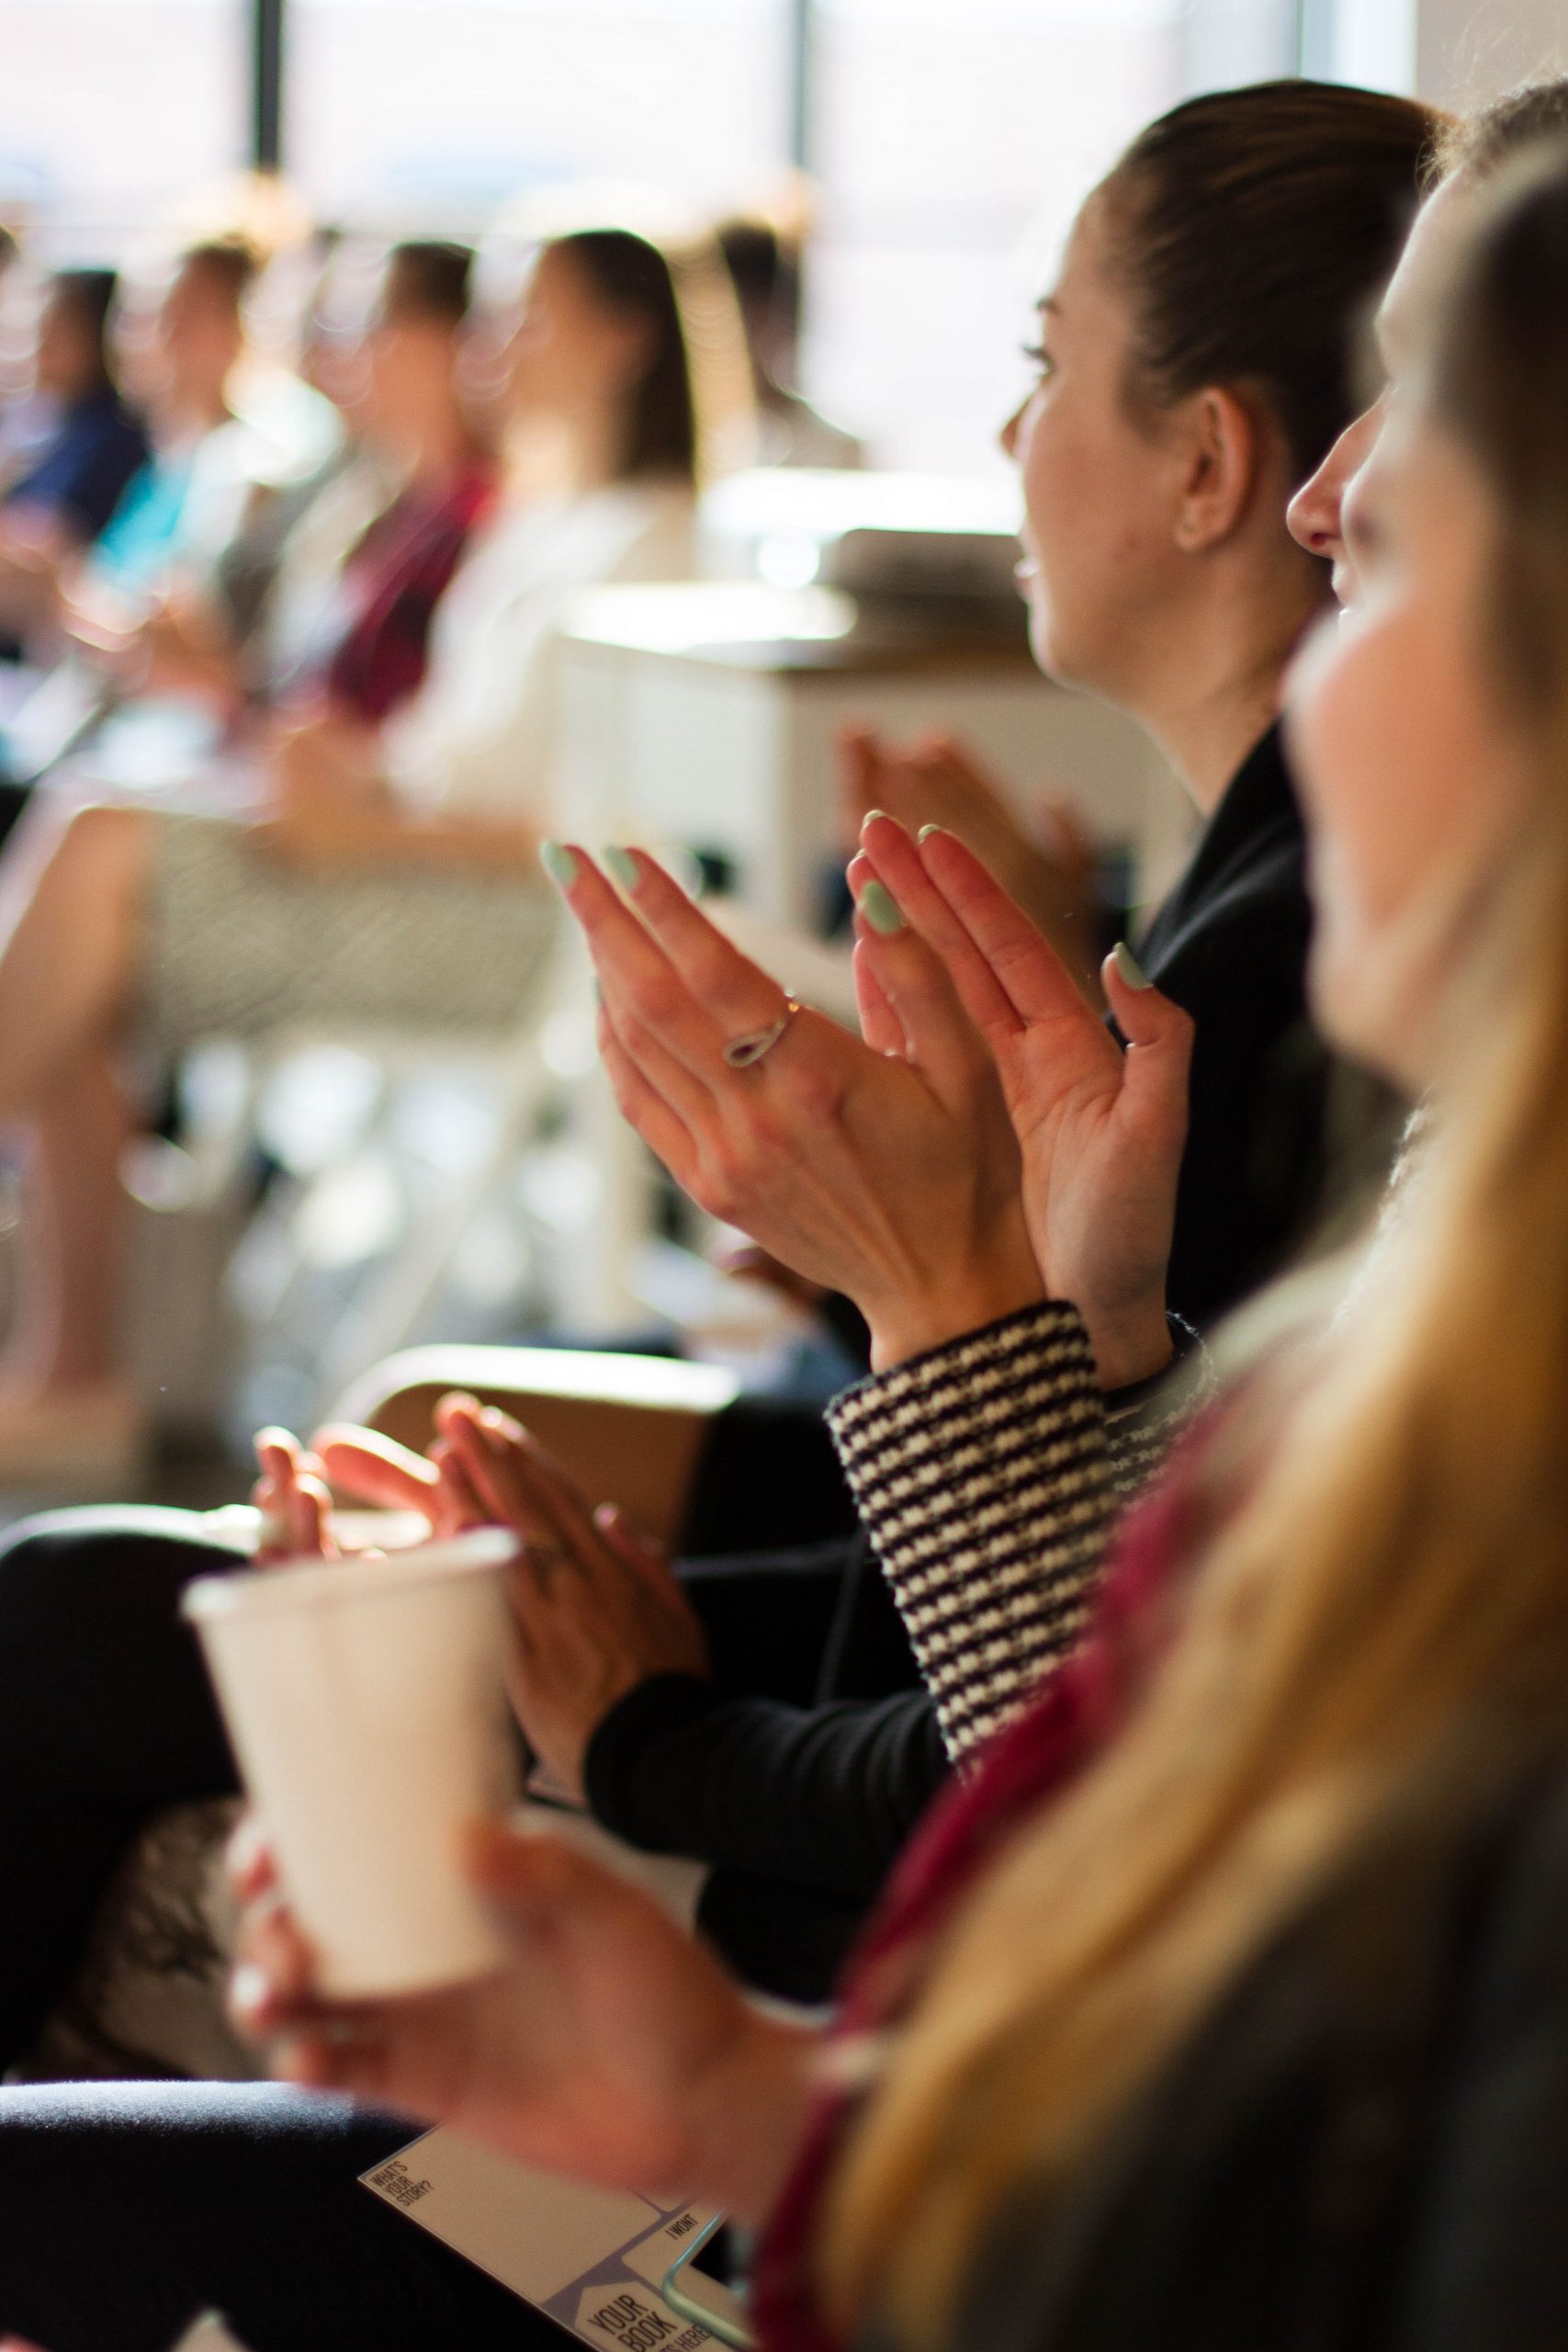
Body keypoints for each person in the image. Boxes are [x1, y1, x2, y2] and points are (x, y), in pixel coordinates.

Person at [3, 85, 1567, 2352]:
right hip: (852, 2100)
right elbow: (1157, 1788)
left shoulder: (1364, 1095)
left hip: (847, 2096)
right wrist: (1064, 1307)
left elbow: (1096, 1878)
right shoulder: (1436, 1194)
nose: (1334, 503)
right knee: (108, 1603)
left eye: (1416, 468)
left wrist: (666, 1714)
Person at [0, 222, 708, 1483]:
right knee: (87, 877)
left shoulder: (650, 543)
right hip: (402, 859)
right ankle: (71, 1371)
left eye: (526, 317)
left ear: (623, 338)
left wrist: (368, 817)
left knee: (94, 849)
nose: (493, 345)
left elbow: (597, 838)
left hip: (492, 920)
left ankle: (79, 1371)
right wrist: (346, 767)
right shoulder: (543, 520)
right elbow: (447, 755)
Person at [0, 269, 148, 642]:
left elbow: (67, 545)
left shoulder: (116, 437)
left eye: (55, 329)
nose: (36, 345)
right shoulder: (43, 425)